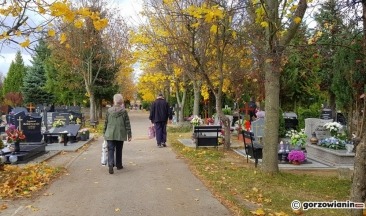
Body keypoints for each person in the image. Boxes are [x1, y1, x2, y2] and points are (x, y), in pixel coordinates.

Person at [103, 94, 132, 174]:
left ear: (114, 101)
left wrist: (104, 132)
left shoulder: (109, 111)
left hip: (110, 133)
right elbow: (127, 124)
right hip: (120, 133)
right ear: (122, 101)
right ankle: (119, 165)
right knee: (119, 149)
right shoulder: (124, 111)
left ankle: (110, 165)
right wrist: (129, 134)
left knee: (110, 149)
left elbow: (106, 122)